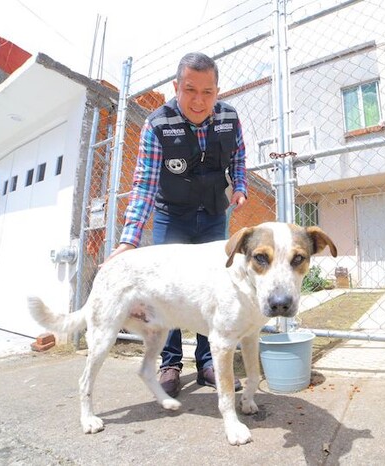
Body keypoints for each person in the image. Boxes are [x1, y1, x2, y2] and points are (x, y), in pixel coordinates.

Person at [106, 52, 247, 397]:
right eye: (190, 90)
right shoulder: (157, 124)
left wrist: (241, 185)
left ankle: (207, 363)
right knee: (167, 291)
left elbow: (239, 155)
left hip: (214, 213)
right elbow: (144, 185)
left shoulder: (229, 117)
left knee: (212, 289)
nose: (199, 100)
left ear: (217, 91)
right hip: (172, 214)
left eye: (207, 92)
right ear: (175, 87)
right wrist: (129, 240)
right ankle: (170, 362)